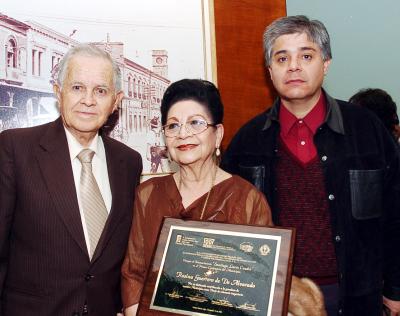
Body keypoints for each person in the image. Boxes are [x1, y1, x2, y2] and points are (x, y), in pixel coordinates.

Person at [221, 15, 400, 316]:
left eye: (306, 55)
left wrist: (395, 288)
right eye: (282, 58)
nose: (293, 66)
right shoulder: (247, 142)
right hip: (277, 300)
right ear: (270, 70)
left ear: (326, 63)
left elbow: (396, 214)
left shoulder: (367, 131)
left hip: (358, 295)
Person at [0, 44, 142, 315]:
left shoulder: (129, 162)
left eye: (101, 91)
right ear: (58, 92)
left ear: (116, 101)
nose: (88, 100)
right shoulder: (14, 149)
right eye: (77, 87)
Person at [121, 79, 273, 315]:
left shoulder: (247, 200)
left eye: (195, 123)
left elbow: (258, 291)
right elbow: (134, 272)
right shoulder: (148, 194)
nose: (183, 133)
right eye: (172, 126)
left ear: (218, 133)